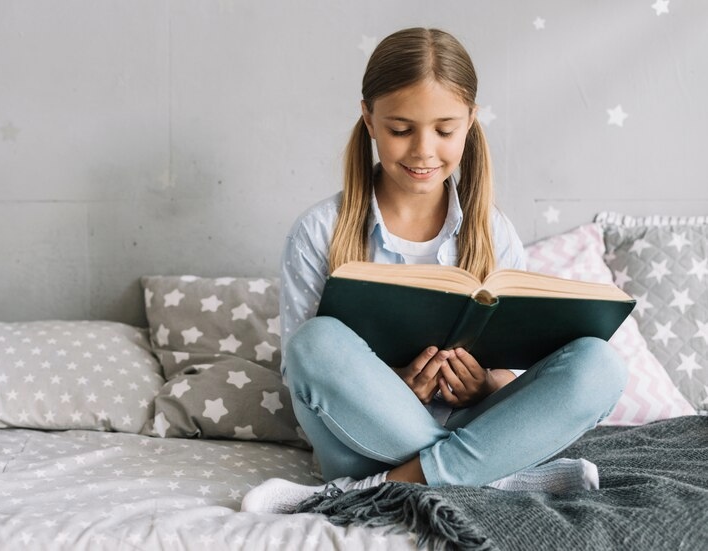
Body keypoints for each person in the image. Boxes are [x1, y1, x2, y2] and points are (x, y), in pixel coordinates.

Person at [242, 27, 626, 514]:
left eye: (444, 130)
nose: (424, 150)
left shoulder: (493, 231)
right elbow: (305, 375)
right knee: (314, 342)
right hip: (364, 441)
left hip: (476, 422)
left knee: (601, 365)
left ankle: (374, 493)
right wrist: (396, 385)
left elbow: (516, 381)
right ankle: (497, 478)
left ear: (470, 122)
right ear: (370, 119)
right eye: (401, 129)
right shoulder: (318, 231)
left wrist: (484, 384)